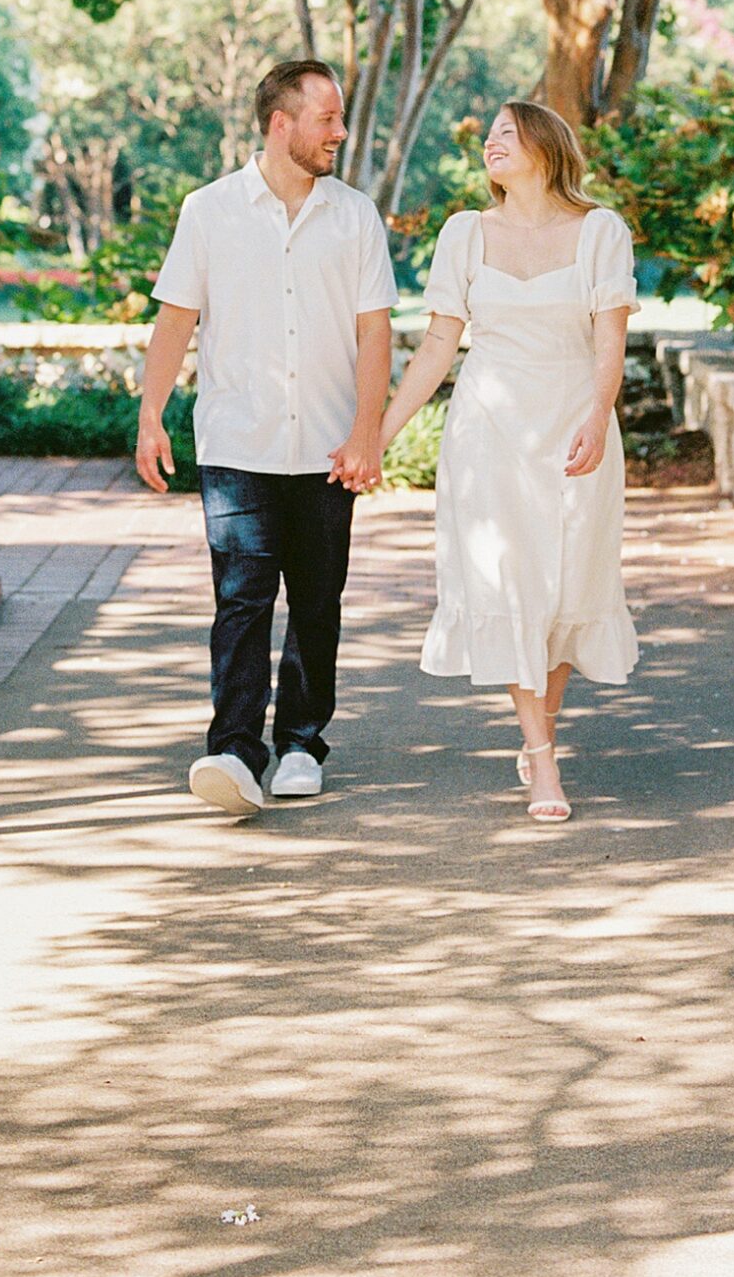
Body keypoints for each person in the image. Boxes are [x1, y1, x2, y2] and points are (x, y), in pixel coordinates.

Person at [136, 59, 398, 817]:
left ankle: (302, 744)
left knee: (317, 601)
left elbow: (373, 332)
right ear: (281, 124)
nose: (339, 134)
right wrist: (152, 415)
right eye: (327, 119)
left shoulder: (353, 216)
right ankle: (235, 750)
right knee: (242, 600)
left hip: (326, 447)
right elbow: (176, 319)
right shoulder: (209, 211)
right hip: (235, 445)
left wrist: (366, 432)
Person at [379, 100, 638, 823]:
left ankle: (537, 739)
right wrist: (382, 434)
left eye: (506, 132)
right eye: (487, 136)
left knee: (559, 593)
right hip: (488, 433)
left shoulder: (600, 232)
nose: (491, 142)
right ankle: (544, 762)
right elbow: (438, 346)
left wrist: (596, 416)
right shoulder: (464, 234)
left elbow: (608, 345)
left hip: (573, 426)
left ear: (547, 146)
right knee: (513, 583)